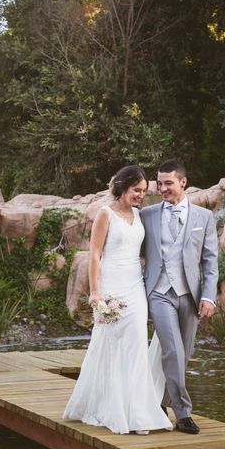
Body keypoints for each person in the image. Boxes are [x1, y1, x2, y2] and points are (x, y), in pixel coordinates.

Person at [63, 165, 173, 435]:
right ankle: (111, 409)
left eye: (144, 191)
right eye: (137, 190)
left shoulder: (139, 215)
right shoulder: (105, 214)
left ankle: (137, 413)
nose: (141, 196)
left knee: (136, 344)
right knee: (111, 345)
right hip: (111, 285)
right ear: (123, 186)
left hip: (135, 285)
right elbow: (95, 254)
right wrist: (95, 291)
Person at [141, 159, 218, 434]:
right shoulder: (147, 215)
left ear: (183, 182)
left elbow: (210, 261)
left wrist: (209, 297)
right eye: (159, 183)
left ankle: (159, 403)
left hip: (190, 295)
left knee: (184, 354)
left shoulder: (204, 217)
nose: (162, 188)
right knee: (172, 349)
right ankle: (183, 414)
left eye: (168, 183)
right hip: (159, 293)